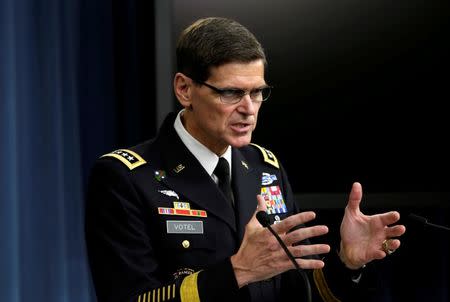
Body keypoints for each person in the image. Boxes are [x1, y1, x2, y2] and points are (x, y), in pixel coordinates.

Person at [85, 17, 406, 302]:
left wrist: (348, 261)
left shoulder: (265, 167)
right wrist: (238, 271)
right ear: (184, 89)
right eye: (231, 93)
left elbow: (300, 288)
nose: (249, 108)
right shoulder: (125, 177)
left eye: (257, 92)